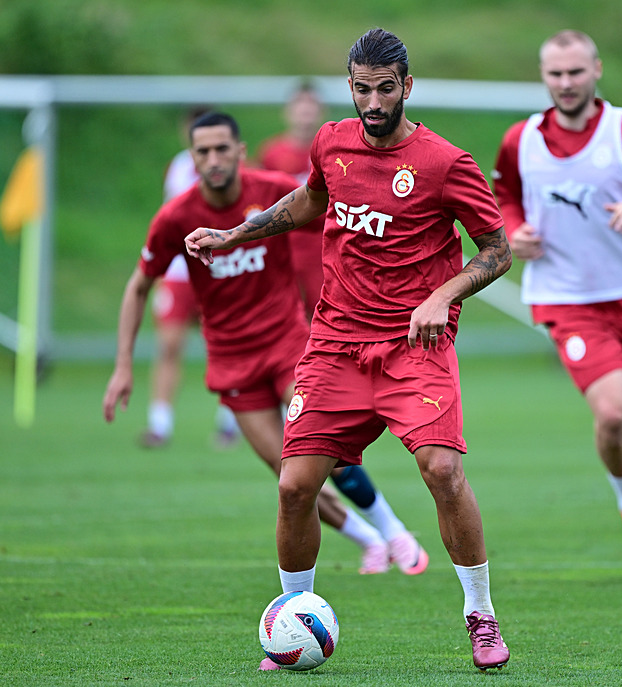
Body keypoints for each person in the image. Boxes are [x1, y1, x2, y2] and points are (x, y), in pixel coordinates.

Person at [185, 28, 512, 673]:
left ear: (407, 86)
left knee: (442, 471)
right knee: (293, 486)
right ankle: (292, 618)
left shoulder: (446, 163)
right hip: (335, 344)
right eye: (362, 89)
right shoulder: (331, 143)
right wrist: (234, 234)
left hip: (414, 345)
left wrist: (442, 295)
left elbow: (497, 251)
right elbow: (309, 200)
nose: (373, 103)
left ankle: (481, 615)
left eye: (385, 89)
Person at [102, 111, 428, 579]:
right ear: (192, 159)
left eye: (221, 149)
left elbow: (345, 219)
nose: (213, 159)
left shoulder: (274, 191)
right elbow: (138, 286)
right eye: (203, 152)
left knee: (325, 455)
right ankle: (369, 540)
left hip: (289, 349)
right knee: (290, 482)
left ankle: (393, 530)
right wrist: (122, 366)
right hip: (233, 364)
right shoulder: (177, 217)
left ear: (240, 151)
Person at [493, 30, 622, 586]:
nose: (565, 83)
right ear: (543, 76)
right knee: (612, 417)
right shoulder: (521, 140)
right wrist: (515, 229)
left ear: (597, 70)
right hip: (569, 300)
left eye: (575, 72)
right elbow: (505, 195)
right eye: (555, 74)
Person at [140, 106, 241, 449]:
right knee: (169, 345)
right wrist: (159, 268)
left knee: (228, 345)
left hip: (218, 268)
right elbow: (168, 219)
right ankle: (160, 423)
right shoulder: (179, 166)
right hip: (180, 272)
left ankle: (230, 421)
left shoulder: (235, 170)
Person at [256, 83, 326, 320]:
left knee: (322, 315)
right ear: (288, 111)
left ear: (321, 110)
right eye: (300, 105)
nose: (305, 111)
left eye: (311, 105)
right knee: (283, 316)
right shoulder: (272, 153)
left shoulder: (332, 150)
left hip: (322, 248)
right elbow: (260, 202)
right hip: (285, 246)